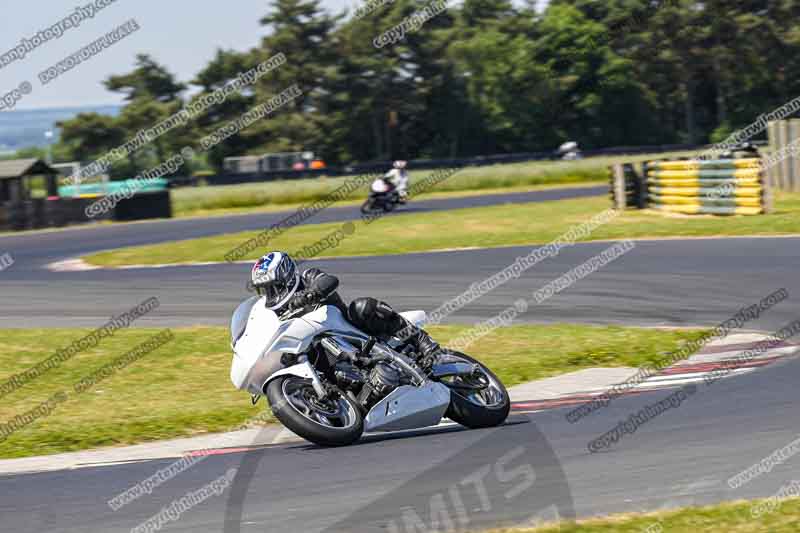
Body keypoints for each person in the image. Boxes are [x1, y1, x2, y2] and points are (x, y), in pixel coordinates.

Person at [250, 251, 441, 360]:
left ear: (288, 277)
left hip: (352, 332)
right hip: (319, 350)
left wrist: (309, 295)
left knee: (361, 307)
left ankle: (422, 341)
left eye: (273, 288)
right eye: (265, 290)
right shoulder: (273, 311)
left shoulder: (308, 277)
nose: (271, 294)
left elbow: (328, 280)